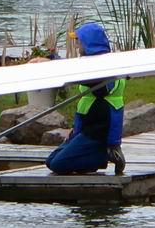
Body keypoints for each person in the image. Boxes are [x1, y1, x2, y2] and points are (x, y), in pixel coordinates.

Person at [44, 23, 126, 175]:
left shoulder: (110, 67)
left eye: (79, 42)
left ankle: (104, 156)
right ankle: (93, 159)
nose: (76, 45)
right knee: (50, 161)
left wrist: (59, 69)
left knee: (57, 164)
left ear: (89, 44)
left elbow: (100, 87)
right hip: (86, 126)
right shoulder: (90, 64)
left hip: (99, 129)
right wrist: (51, 60)